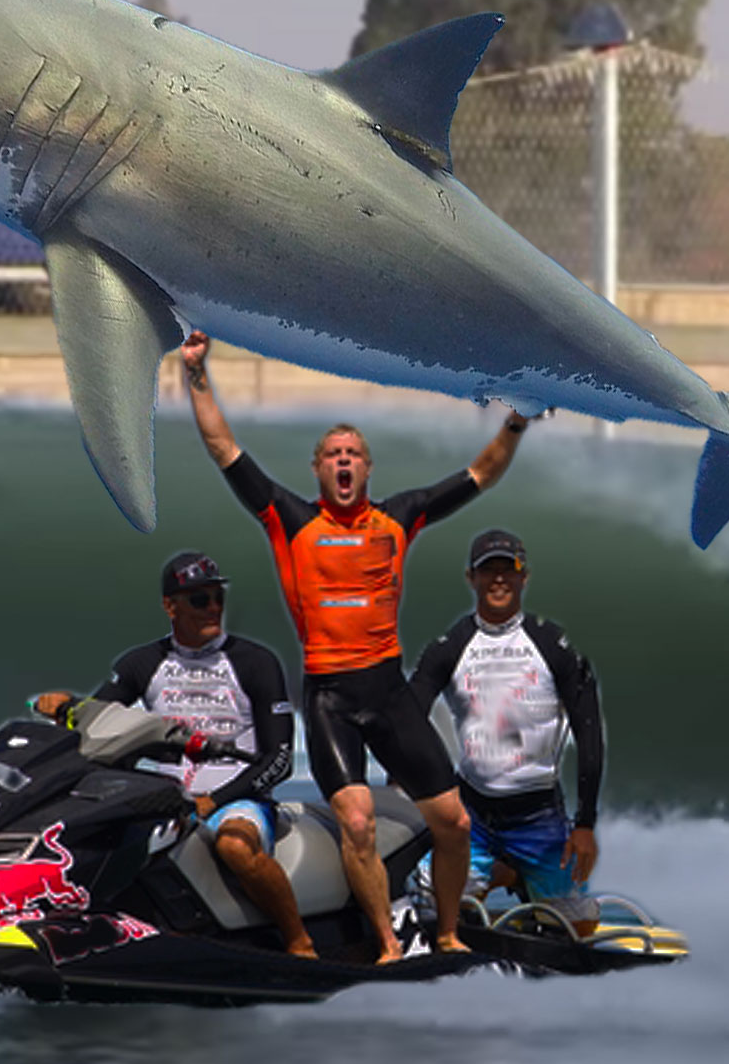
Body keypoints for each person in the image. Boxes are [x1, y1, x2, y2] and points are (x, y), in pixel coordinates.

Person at [179, 330, 533, 962]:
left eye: (354, 454)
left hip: (388, 692)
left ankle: (447, 933)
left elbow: (482, 472)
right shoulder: (290, 518)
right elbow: (222, 447)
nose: (344, 461)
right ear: (318, 470)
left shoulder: (400, 517)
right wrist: (197, 374)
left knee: (452, 823)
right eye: (333, 454)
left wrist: (518, 419)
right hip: (330, 698)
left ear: (368, 469)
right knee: (358, 819)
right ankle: (387, 945)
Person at [30, 550, 316, 958]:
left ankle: (299, 942)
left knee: (234, 846)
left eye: (218, 597)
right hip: (161, 797)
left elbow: (281, 759)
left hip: (236, 797)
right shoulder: (140, 663)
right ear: (171, 606)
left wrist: (214, 801)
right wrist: (65, 707)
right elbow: (96, 724)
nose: (213, 608)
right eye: (200, 600)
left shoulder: (255, 662)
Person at [408, 528, 606, 939]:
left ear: (523, 577)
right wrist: (410, 774)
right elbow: (408, 716)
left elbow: (589, 732)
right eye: (487, 570)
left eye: (508, 569)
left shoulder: (553, 644)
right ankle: (502, 872)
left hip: (539, 817)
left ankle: (521, 871)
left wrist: (584, 824)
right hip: (473, 815)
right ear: (471, 578)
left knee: (579, 930)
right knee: (429, 903)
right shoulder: (450, 646)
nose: (498, 578)